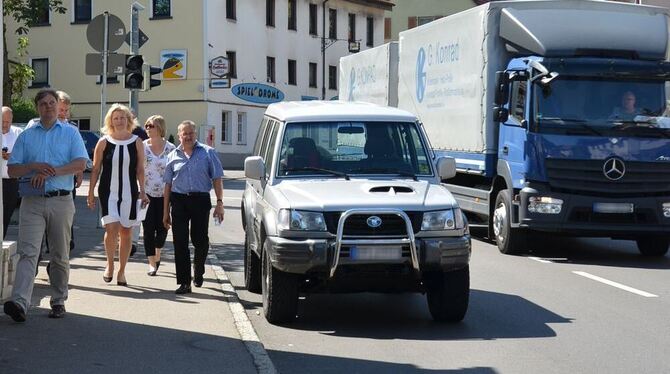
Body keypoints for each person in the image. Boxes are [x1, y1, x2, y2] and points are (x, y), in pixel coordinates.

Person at [3, 89, 88, 322]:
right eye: (44, 104)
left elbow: (81, 163)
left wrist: (52, 172)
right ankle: (20, 302)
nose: (48, 107)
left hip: (61, 199)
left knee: (59, 254)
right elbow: (12, 169)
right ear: (37, 108)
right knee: (28, 252)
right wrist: (34, 167)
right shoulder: (27, 136)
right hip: (32, 202)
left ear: (57, 105)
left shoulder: (70, 133)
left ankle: (58, 300)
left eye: (52, 103)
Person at [87, 104, 148, 287]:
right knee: (111, 228)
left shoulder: (136, 141)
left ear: (128, 120)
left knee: (126, 231)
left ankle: (122, 271)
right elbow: (96, 169)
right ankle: (110, 265)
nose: (119, 121)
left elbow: (140, 169)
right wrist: (90, 192)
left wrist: (143, 191)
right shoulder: (104, 142)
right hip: (108, 192)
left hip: (129, 191)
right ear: (110, 121)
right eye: (116, 118)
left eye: (123, 117)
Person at [163, 120, 224, 294]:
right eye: (185, 134)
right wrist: (165, 211)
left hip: (200, 200)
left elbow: (217, 178)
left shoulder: (208, 152)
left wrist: (220, 203)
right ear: (179, 135)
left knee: (200, 240)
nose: (188, 136)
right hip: (179, 201)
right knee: (180, 242)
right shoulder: (172, 155)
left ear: (195, 134)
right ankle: (184, 282)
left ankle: (199, 269)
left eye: (191, 133)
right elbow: (167, 184)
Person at [142, 115, 175, 276]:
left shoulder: (170, 148)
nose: (148, 128)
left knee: (162, 229)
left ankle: (158, 252)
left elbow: (176, 170)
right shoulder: (141, 147)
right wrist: (139, 190)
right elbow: (137, 170)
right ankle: (151, 263)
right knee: (148, 229)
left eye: (151, 126)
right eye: (146, 125)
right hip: (146, 194)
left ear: (160, 128)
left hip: (165, 195)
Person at [1, 106, 23, 239]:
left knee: (6, 214)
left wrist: (13, 156)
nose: (5, 124)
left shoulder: (18, 132)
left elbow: (25, 154)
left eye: (8, 122)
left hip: (11, 181)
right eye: (2, 121)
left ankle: (1, 240)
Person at [129, 112, 148, 257]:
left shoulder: (140, 134)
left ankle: (133, 242)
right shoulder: (114, 134)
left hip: (137, 176)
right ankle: (123, 240)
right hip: (121, 179)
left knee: (137, 210)